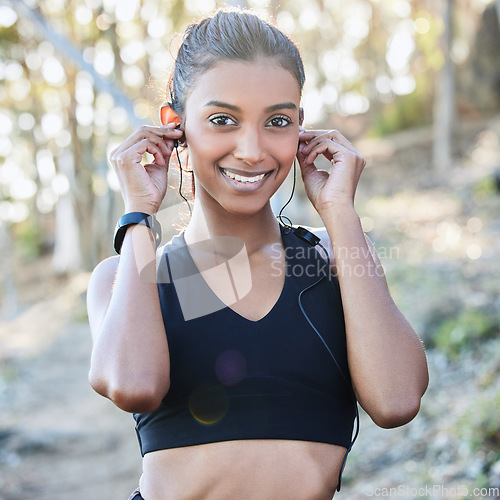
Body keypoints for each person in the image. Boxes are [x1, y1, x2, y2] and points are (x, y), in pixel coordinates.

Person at [86, 8, 429, 500]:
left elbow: (396, 400)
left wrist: (340, 214)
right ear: (175, 125)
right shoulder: (127, 276)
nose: (251, 149)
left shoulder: (333, 259)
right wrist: (139, 214)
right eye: (223, 119)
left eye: (277, 121)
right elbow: (132, 385)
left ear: (301, 130)